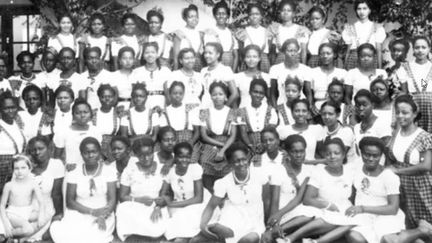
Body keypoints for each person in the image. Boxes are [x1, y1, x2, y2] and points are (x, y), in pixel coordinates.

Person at [194, 142, 274, 243]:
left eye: (243, 159)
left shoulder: (260, 176)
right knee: (199, 239)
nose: (241, 164)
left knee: (248, 240)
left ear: (248, 158)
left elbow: (267, 201)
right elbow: (211, 206)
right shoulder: (224, 182)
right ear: (230, 163)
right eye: (236, 161)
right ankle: (216, 231)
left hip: (255, 221)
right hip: (232, 220)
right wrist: (202, 225)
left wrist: (268, 226)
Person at [281, 138, 356, 243]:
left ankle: (311, 241)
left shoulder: (350, 171)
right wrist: (328, 206)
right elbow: (307, 199)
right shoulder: (319, 170)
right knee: (333, 218)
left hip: (343, 207)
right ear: (325, 156)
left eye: (336, 153)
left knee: (353, 220)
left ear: (343, 155)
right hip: (321, 207)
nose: (332, 156)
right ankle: (291, 237)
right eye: (328, 154)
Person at [50, 137, 117, 243]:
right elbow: (70, 202)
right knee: (67, 235)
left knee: (96, 237)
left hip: (103, 212)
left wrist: (103, 215)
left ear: (100, 152)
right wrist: (92, 211)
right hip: (79, 211)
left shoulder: (109, 171)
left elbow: (112, 199)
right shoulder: (74, 172)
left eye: (94, 152)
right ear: (81, 154)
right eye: (86, 152)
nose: (90, 155)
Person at [345, 136, 405, 243]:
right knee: (353, 236)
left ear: (381, 155)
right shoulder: (356, 169)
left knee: (387, 240)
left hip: (386, 216)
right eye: (367, 154)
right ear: (361, 152)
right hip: (364, 217)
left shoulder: (388, 176)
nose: (371, 159)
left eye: (375, 156)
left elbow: (393, 208)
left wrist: (363, 208)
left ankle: (420, 231)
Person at [386, 95, 432, 230]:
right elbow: (392, 157)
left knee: (426, 222)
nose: (400, 116)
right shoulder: (396, 132)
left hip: (419, 185)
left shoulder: (424, 137)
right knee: (405, 224)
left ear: (414, 114)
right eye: (398, 112)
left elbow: (426, 166)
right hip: (400, 186)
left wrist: (398, 171)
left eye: (405, 113)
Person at [262, 134, 314, 243]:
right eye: (295, 152)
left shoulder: (310, 170)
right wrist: (273, 224)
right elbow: (274, 201)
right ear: (288, 153)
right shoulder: (279, 170)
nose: (299, 155)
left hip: (303, 214)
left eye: (301, 151)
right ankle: (278, 233)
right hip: (283, 215)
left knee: (313, 214)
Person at [116, 136, 168, 241]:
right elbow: (122, 197)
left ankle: (142, 231)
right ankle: (135, 233)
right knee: (122, 208)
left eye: (149, 154)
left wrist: (158, 207)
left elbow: (165, 193)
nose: (146, 158)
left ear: (154, 151)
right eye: (141, 155)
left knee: (156, 231)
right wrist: (139, 200)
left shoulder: (162, 168)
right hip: (134, 205)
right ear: (135, 155)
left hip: (155, 206)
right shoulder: (130, 170)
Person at [163, 142, 207, 242]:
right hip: (178, 203)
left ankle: (186, 237)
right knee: (174, 217)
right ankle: (188, 237)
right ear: (175, 156)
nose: (184, 160)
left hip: (195, 204)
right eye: (181, 156)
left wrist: (173, 204)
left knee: (189, 214)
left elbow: (199, 199)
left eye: (188, 157)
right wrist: (167, 201)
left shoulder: (195, 168)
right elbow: (163, 192)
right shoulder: (170, 171)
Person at [199, 82, 237, 191]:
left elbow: (233, 135)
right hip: (210, 144)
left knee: (228, 169)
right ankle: (209, 194)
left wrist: (223, 150)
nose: (217, 97)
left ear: (226, 96)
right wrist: (220, 145)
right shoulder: (204, 112)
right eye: (214, 94)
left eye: (221, 94)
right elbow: (204, 136)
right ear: (210, 96)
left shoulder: (232, 112)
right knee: (205, 162)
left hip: (228, 145)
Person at [27, 136, 64, 241]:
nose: (37, 152)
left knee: (44, 235)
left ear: (49, 148)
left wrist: (58, 214)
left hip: (46, 208)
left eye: (41, 148)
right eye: (34, 150)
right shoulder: (26, 166)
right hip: (27, 208)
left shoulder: (56, 164)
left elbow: (56, 194)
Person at [0, 155, 45, 241]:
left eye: (23, 168)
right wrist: (6, 223)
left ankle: (15, 237)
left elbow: (41, 201)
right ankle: (5, 234)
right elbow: (2, 206)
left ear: (29, 169)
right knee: (28, 230)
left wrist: (41, 215)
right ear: (13, 170)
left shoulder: (33, 184)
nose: (20, 171)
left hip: (27, 211)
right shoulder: (9, 185)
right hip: (13, 213)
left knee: (46, 215)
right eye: (16, 168)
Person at [396, 36, 432, 133]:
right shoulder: (405, 67)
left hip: (431, 106)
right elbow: (404, 92)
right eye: (417, 47)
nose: (420, 50)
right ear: (413, 49)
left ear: (429, 49)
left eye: (423, 47)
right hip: (414, 107)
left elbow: (423, 84)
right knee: (415, 134)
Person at [53, 99, 102, 168]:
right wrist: (65, 165)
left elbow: (98, 154)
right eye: (78, 113)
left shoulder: (96, 130)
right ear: (73, 115)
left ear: (90, 114)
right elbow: (57, 157)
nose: (82, 115)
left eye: (85, 112)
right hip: (72, 170)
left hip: (92, 170)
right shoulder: (63, 131)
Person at [238, 78, 278, 154]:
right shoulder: (241, 111)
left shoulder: (270, 110)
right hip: (248, 145)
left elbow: (271, 131)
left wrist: (263, 145)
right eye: (255, 92)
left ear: (264, 95)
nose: (258, 95)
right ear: (250, 92)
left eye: (261, 93)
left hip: (267, 144)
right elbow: (243, 132)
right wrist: (250, 146)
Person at [342, 0, 386, 69]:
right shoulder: (350, 28)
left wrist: (380, 69)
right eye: (359, 9)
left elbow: (378, 50)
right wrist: (344, 67)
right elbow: (348, 50)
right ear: (356, 10)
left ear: (369, 10)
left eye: (365, 8)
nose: (362, 12)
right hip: (354, 58)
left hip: (370, 58)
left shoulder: (377, 27)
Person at [269, 38, 312, 107]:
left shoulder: (305, 69)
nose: (293, 53)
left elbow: (308, 93)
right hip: (282, 105)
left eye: (295, 51)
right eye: (290, 51)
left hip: (300, 106)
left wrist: (308, 107)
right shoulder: (275, 69)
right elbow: (273, 93)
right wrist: (275, 108)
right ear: (284, 52)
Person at [305, 43, 347, 111]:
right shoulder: (311, 72)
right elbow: (309, 95)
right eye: (322, 53)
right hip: (317, 108)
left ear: (334, 55)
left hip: (337, 107)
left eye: (328, 53)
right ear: (319, 55)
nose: (325, 56)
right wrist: (311, 108)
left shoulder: (343, 73)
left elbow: (346, 95)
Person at [353, 90, 392, 157]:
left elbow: (387, 152)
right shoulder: (356, 127)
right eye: (358, 105)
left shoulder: (381, 124)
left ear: (372, 105)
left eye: (364, 105)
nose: (361, 108)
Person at [160, 81, 200, 147]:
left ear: (184, 94)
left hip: (189, 142)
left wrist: (191, 142)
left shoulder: (190, 109)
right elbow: (163, 133)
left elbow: (197, 132)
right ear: (169, 94)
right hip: (171, 143)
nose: (178, 95)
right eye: (175, 93)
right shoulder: (165, 112)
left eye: (180, 93)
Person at [0, 92, 26, 192]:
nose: (10, 111)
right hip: (2, 169)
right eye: (6, 108)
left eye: (13, 107)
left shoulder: (18, 122)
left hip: (18, 168)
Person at [134, 42, 171, 110]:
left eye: (153, 52)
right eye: (147, 52)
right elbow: (134, 95)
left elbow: (168, 94)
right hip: (143, 105)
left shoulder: (165, 71)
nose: (150, 55)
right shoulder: (137, 72)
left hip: (161, 104)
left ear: (157, 54)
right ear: (143, 56)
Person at [271, 0, 309, 65]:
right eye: (283, 10)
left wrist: (304, 66)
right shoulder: (276, 29)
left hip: (295, 61)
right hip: (280, 61)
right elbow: (273, 52)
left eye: (289, 11)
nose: (285, 12)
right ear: (280, 13)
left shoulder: (300, 29)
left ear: (293, 13)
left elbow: (303, 51)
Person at [200, 42, 238, 108]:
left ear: (218, 54)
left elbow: (235, 94)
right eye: (205, 53)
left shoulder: (225, 70)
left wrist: (224, 108)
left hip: (218, 107)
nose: (207, 55)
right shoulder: (203, 70)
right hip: (205, 106)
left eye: (210, 53)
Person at [205, 1, 239, 71]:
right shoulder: (210, 32)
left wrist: (232, 72)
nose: (221, 16)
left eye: (224, 14)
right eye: (218, 14)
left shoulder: (231, 33)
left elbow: (236, 56)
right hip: (215, 68)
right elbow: (208, 54)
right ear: (214, 15)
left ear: (227, 16)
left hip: (230, 68)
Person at [238, 3, 271, 73]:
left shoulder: (267, 31)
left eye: (257, 14)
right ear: (248, 16)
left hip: (263, 62)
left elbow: (270, 51)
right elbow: (241, 51)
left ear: (261, 16)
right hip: (248, 62)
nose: (254, 16)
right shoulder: (243, 31)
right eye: (251, 14)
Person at [93, 85, 120, 161]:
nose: (107, 99)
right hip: (95, 147)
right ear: (99, 98)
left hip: (113, 149)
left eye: (110, 96)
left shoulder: (118, 113)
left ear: (114, 97)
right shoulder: (93, 113)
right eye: (103, 96)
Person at [173, 4, 204, 71]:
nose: (194, 19)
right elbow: (176, 57)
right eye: (191, 17)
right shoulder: (179, 33)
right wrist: (175, 73)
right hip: (183, 66)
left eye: (196, 16)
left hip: (197, 66)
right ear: (185, 18)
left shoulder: (199, 34)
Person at [112, 46, 137, 111]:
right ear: (119, 60)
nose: (128, 61)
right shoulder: (113, 76)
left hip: (136, 106)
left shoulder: (138, 74)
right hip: (119, 107)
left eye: (130, 58)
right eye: (124, 58)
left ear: (134, 60)